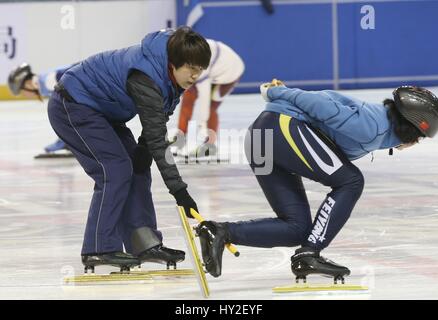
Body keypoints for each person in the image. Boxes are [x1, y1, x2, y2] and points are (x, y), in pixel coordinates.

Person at [197, 80, 438, 280]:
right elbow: (320, 103)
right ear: (409, 127)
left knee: (297, 228)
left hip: (262, 137)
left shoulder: (378, 124)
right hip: (279, 129)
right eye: (419, 136)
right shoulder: (371, 126)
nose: (416, 143)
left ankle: (219, 232)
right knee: (351, 181)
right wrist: (274, 92)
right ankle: (310, 253)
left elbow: (327, 105)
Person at [47, 26, 211, 272]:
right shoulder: (148, 76)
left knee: (137, 167)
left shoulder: (170, 73)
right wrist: (180, 191)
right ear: (175, 62)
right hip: (73, 104)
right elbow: (158, 141)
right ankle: (99, 247)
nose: (195, 76)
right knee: (115, 169)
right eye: (191, 68)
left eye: (200, 70)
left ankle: (143, 243)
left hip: (103, 111)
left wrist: (143, 151)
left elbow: (155, 125)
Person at [170, 38, 244, 159]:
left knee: (211, 107)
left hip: (229, 73)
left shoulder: (200, 62)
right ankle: (180, 138)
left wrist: (202, 126)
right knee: (188, 98)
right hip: (214, 65)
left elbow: (204, 97)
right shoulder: (188, 49)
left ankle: (209, 145)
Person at [7, 63, 74, 157]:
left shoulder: (48, 81)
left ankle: (66, 143)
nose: (24, 96)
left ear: (27, 84)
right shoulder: (44, 82)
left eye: (22, 92)